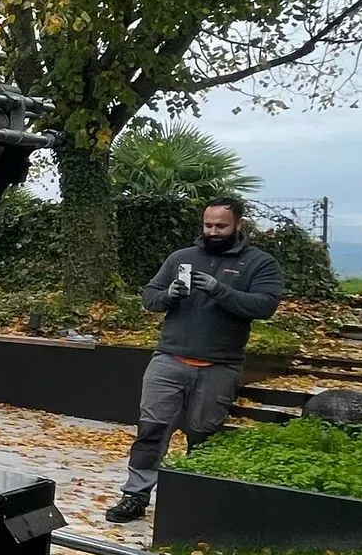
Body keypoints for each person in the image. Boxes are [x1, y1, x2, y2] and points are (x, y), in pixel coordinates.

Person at [104, 196, 283, 523]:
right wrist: (168, 295)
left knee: (203, 434)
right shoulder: (181, 257)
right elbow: (149, 297)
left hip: (220, 365)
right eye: (208, 225)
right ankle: (135, 496)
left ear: (238, 225)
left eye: (221, 226)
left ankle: (190, 501)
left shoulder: (259, 263)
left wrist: (219, 290)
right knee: (151, 431)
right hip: (169, 360)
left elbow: (265, 306)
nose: (213, 231)